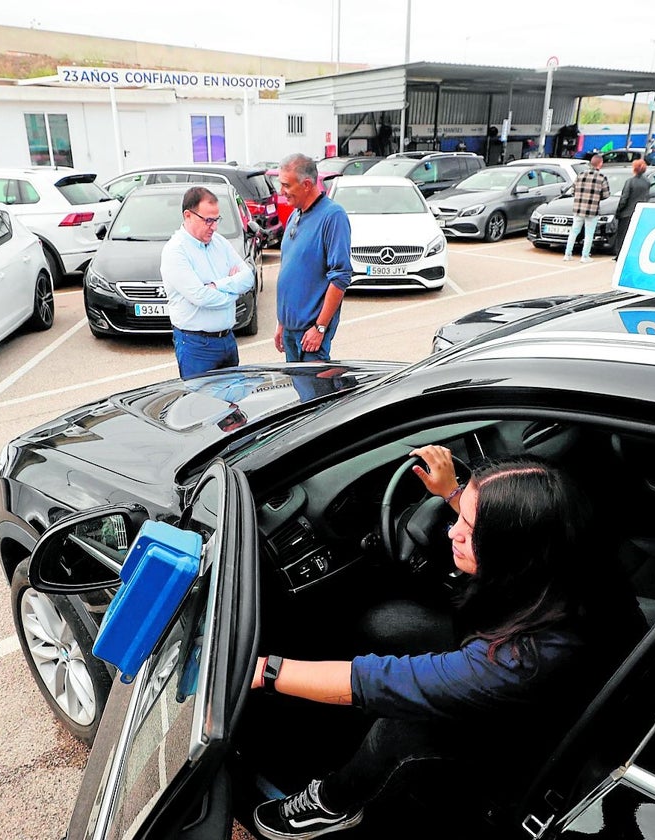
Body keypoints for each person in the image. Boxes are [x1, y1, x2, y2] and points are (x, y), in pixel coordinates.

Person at [251, 448, 609, 840]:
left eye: (469, 529)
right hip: (551, 694)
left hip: (531, 745)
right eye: (460, 516)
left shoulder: (523, 660)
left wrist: (265, 670)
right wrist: (453, 493)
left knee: (399, 728)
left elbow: (378, 680)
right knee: (386, 624)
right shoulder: (566, 564)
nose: (451, 531)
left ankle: (335, 805)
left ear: (511, 553)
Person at [159, 186, 255, 378]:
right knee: (202, 405)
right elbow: (201, 297)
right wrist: (235, 290)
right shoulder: (176, 251)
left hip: (227, 339)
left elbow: (248, 277)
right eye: (208, 220)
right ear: (188, 215)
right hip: (196, 346)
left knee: (232, 403)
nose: (214, 226)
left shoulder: (219, 243)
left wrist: (219, 285)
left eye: (216, 219)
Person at [273, 153, 352, 362]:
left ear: (306, 184)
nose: (282, 192)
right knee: (298, 393)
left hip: (310, 336)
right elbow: (291, 269)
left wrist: (320, 327)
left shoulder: (333, 216)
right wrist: (282, 322)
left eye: (286, 186)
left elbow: (341, 277)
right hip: (291, 332)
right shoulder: (296, 214)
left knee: (314, 394)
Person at [563, 153, 610, 264]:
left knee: (574, 231)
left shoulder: (580, 175)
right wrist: (597, 198)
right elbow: (606, 194)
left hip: (578, 208)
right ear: (600, 164)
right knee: (589, 233)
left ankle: (567, 254)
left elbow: (573, 191)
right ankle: (584, 256)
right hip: (592, 210)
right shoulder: (601, 177)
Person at [612, 159, 651, 261]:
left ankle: (619, 255)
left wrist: (618, 211)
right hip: (639, 211)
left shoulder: (630, 182)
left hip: (627, 212)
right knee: (635, 234)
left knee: (622, 235)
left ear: (634, 169)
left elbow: (624, 198)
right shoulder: (647, 182)